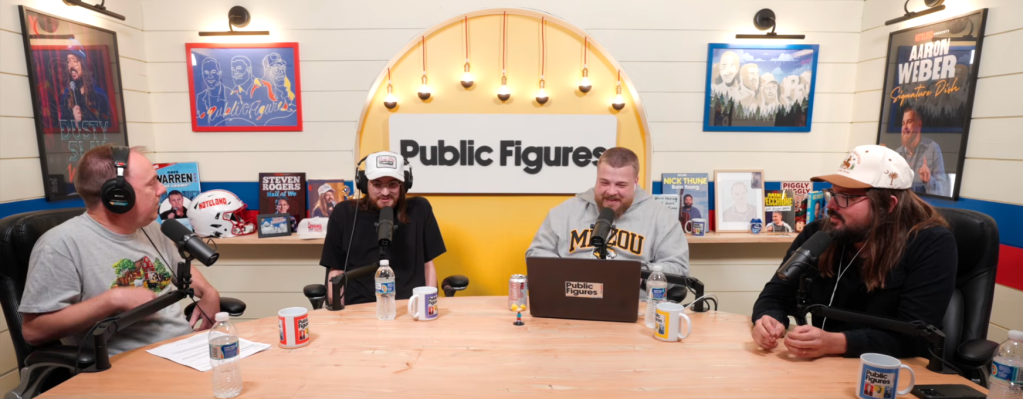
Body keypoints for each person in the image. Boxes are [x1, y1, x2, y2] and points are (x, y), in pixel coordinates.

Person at [751, 145, 956, 359]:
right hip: (825, 366)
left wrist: (836, 342)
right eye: (832, 193)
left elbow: (917, 336)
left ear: (888, 205)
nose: (830, 205)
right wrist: (768, 319)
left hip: (893, 373)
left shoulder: (931, 244)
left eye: (846, 197)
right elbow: (775, 294)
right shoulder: (819, 234)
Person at [19, 145, 221, 355]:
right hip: (128, 369)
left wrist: (208, 292)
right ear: (118, 195)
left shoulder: (150, 228)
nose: (162, 190)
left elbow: (179, 269)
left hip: (183, 350)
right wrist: (111, 301)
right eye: (152, 183)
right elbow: (33, 331)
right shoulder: (60, 245)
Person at [526, 147, 689, 295]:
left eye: (621, 185)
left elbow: (679, 269)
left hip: (633, 305)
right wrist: (567, 272)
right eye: (604, 182)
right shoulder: (565, 212)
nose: (611, 191)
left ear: (635, 182)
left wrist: (641, 274)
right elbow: (536, 254)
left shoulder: (661, 217)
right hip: (570, 299)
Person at [320, 151, 445, 305]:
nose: (385, 192)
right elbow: (336, 270)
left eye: (392, 184)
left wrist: (428, 303)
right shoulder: (344, 213)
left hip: (410, 306)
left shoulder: (419, 209)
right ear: (364, 183)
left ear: (404, 184)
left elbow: (428, 264)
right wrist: (340, 311)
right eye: (377, 184)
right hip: (360, 309)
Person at [59, 39, 112, 132]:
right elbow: (62, 130)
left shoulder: (99, 94)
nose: (71, 65)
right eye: (68, 61)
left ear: (83, 64)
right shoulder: (66, 96)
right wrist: (75, 123)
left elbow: (109, 126)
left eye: (75, 60)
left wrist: (86, 120)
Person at [895, 107, 950, 196]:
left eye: (909, 122)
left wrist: (929, 180)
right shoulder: (896, 154)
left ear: (919, 124)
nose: (905, 127)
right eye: (903, 123)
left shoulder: (933, 149)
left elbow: (943, 191)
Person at [195, 57, 227, 125]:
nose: (210, 76)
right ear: (203, 75)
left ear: (220, 74)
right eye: (206, 73)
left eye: (213, 72)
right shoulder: (200, 97)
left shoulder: (231, 94)